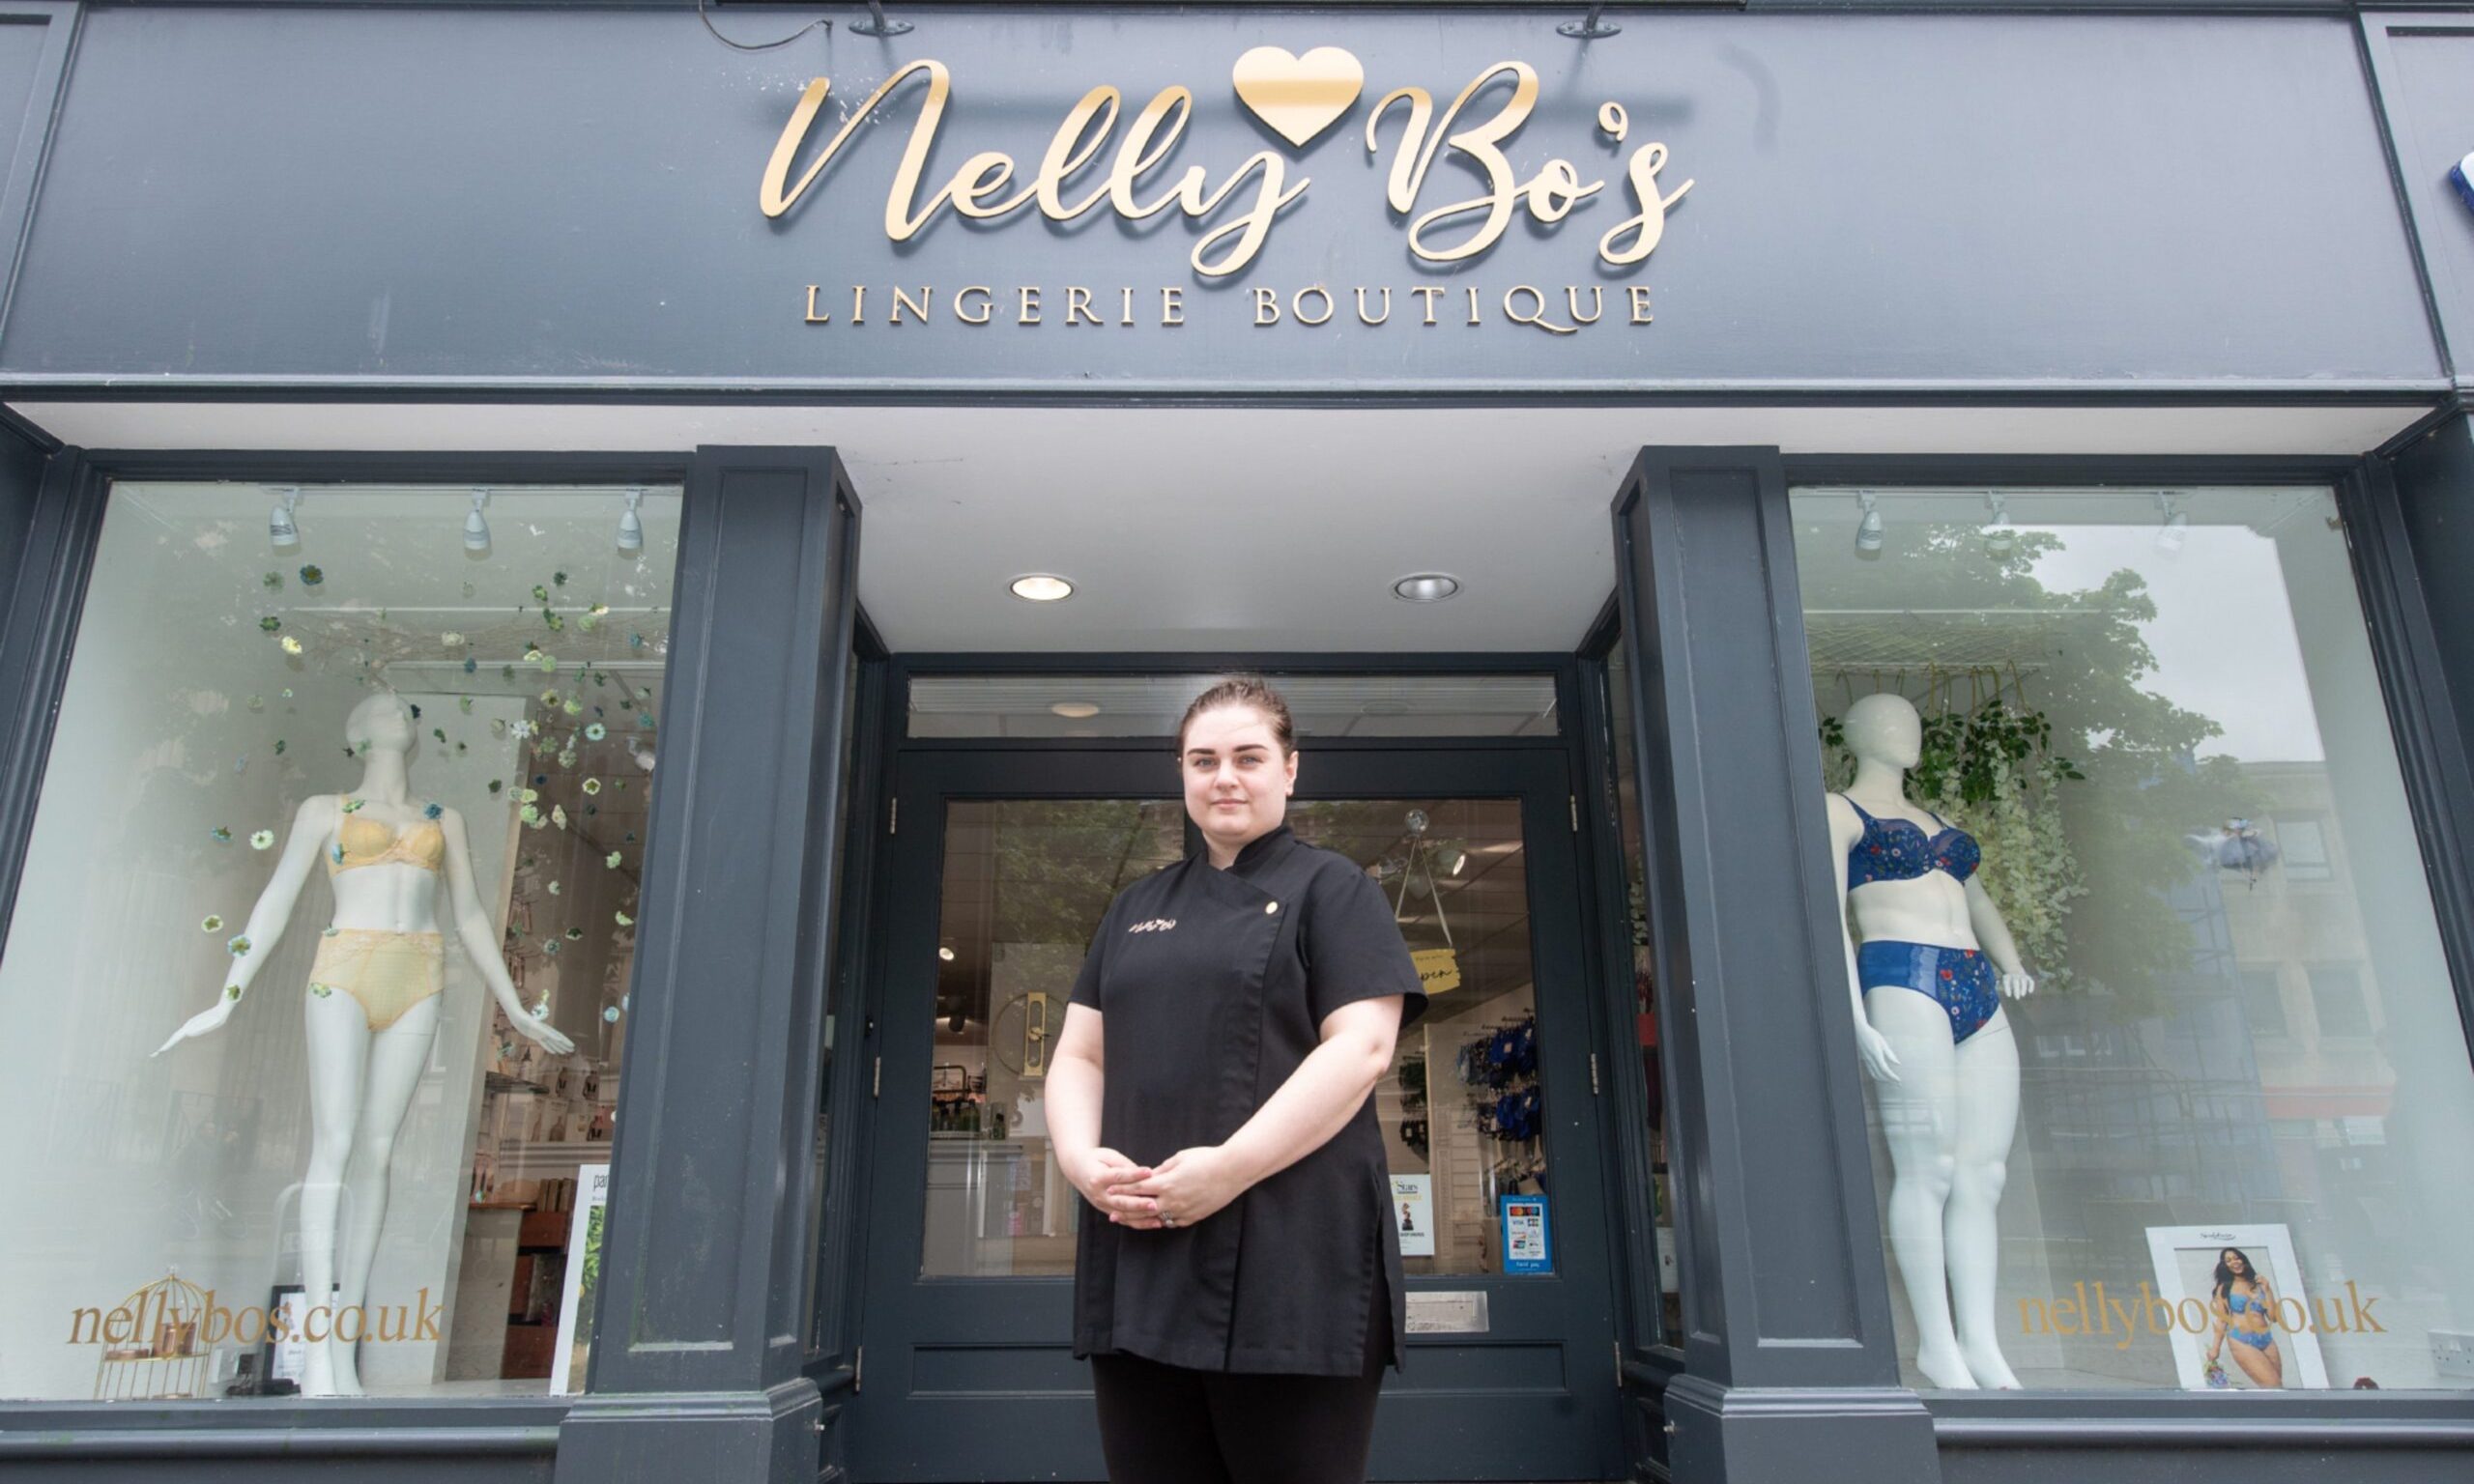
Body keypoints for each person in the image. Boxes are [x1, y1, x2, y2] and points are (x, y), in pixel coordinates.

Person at [1046, 676, 1427, 1484]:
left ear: (1290, 770)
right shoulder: (1134, 907)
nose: (1224, 776)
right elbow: (1080, 1055)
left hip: (1293, 1266)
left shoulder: (1337, 891)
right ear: (1182, 774)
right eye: (1203, 759)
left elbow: (1360, 1049)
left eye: (1248, 757)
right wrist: (1082, 1162)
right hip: (1143, 1256)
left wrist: (1228, 1169)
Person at [2204, 1246, 2286, 1388]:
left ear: (2243, 1260)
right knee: (2272, 1385)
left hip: (2266, 1339)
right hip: (2241, 1340)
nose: (2234, 1262)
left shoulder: (2259, 1284)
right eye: (2228, 1260)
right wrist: (2215, 1348)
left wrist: (2267, 1290)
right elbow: (2222, 1320)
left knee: (2277, 1388)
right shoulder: (2224, 1288)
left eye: (2236, 1258)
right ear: (2225, 1266)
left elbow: (2273, 1317)